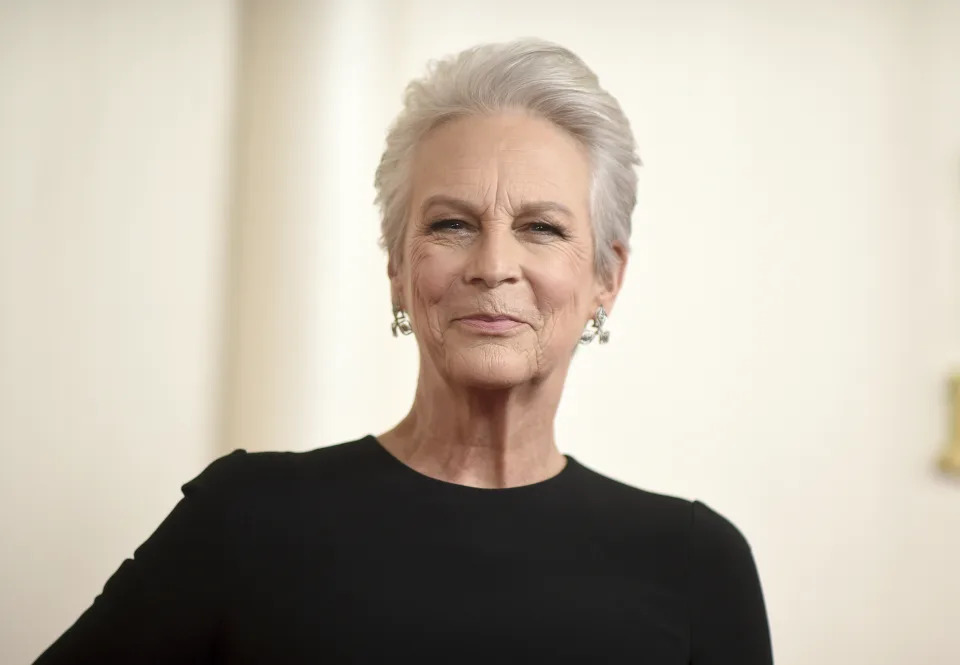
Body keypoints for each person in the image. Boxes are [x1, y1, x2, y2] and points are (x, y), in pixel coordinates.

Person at [34, 38, 773, 664]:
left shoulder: (697, 564)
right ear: (397, 266)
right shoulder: (245, 518)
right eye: (451, 224)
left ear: (607, 276)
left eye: (541, 227)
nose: (492, 263)